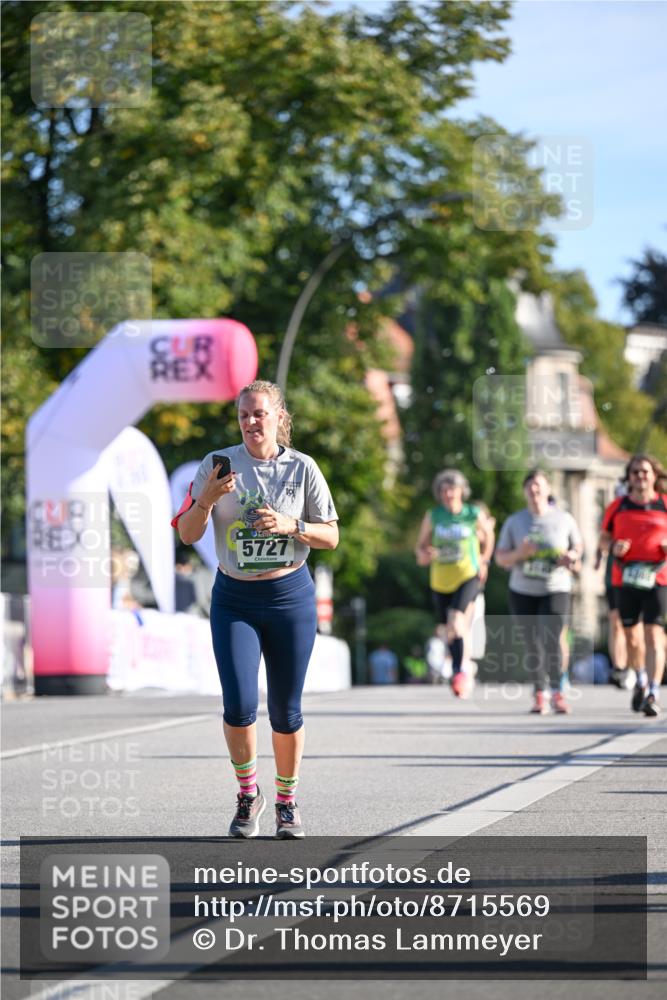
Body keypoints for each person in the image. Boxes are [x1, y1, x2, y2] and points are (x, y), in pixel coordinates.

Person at [173, 379, 339, 838]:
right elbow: (187, 534)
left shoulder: (303, 469)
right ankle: (249, 795)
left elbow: (331, 535)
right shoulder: (217, 464)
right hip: (236, 599)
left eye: (259, 414)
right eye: (244, 415)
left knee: (286, 710)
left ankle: (287, 800)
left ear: (279, 418)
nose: (250, 422)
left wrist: (293, 525)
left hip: (290, 597)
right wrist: (206, 499)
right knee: (240, 705)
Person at [495, 469, 583, 715]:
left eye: (539, 487)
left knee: (552, 639)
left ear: (547, 490)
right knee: (532, 644)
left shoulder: (563, 519)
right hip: (522, 590)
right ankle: (538, 694)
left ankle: (557, 693)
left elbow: (578, 547)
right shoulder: (515, 522)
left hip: (556, 588)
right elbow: (500, 558)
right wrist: (519, 555)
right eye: (530, 488)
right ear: (524, 492)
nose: (535, 492)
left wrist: (572, 557)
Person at [415, 470, 494, 698]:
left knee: (457, 619)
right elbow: (420, 547)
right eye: (444, 490)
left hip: (467, 575)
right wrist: (425, 554)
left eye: (453, 489)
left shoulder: (473, 513)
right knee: (448, 630)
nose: (449, 494)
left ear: (462, 491)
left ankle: (460, 672)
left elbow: (488, 535)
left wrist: (484, 560)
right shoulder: (433, 516)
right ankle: (460, 671)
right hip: (440, 580)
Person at [599, 454, 667, 717]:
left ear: (654, 476)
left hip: (658, 578)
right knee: (633, 639)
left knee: (654, 635)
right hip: (625, 577)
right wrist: (613, 546)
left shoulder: (664, 504)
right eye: (635, 472)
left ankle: (653, 692)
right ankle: (639, 679)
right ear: (628, 478)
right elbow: (603, 540)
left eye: (645, 472)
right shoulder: (617, 507)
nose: (640, 476)